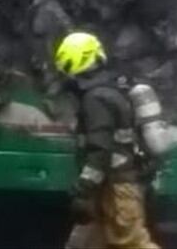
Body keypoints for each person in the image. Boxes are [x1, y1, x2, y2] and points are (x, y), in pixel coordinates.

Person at [55, 32, 160, 249]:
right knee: (83, 244)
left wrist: (83, 189)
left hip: (117, 187)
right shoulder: (112, 90)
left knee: (132, 243)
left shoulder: (96, 98)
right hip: (111, 186)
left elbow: (100, 149)